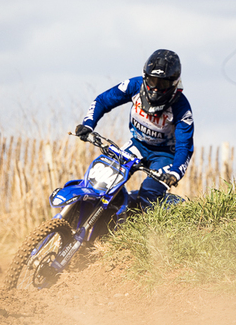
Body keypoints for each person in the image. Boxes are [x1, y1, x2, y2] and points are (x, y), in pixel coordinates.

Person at [74, 48, 194, 207]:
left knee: (148, 195)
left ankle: (170, 209)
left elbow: (184, 147)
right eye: (152, 81)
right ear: (145, 77)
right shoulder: (133, 85)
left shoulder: (182, 109)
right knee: (104, 179)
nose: (156, 88)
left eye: (162, 83)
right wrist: (88, 125)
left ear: (173, 84)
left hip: (165, 155)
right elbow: (102, 101)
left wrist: (175, 173)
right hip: (137, 145)